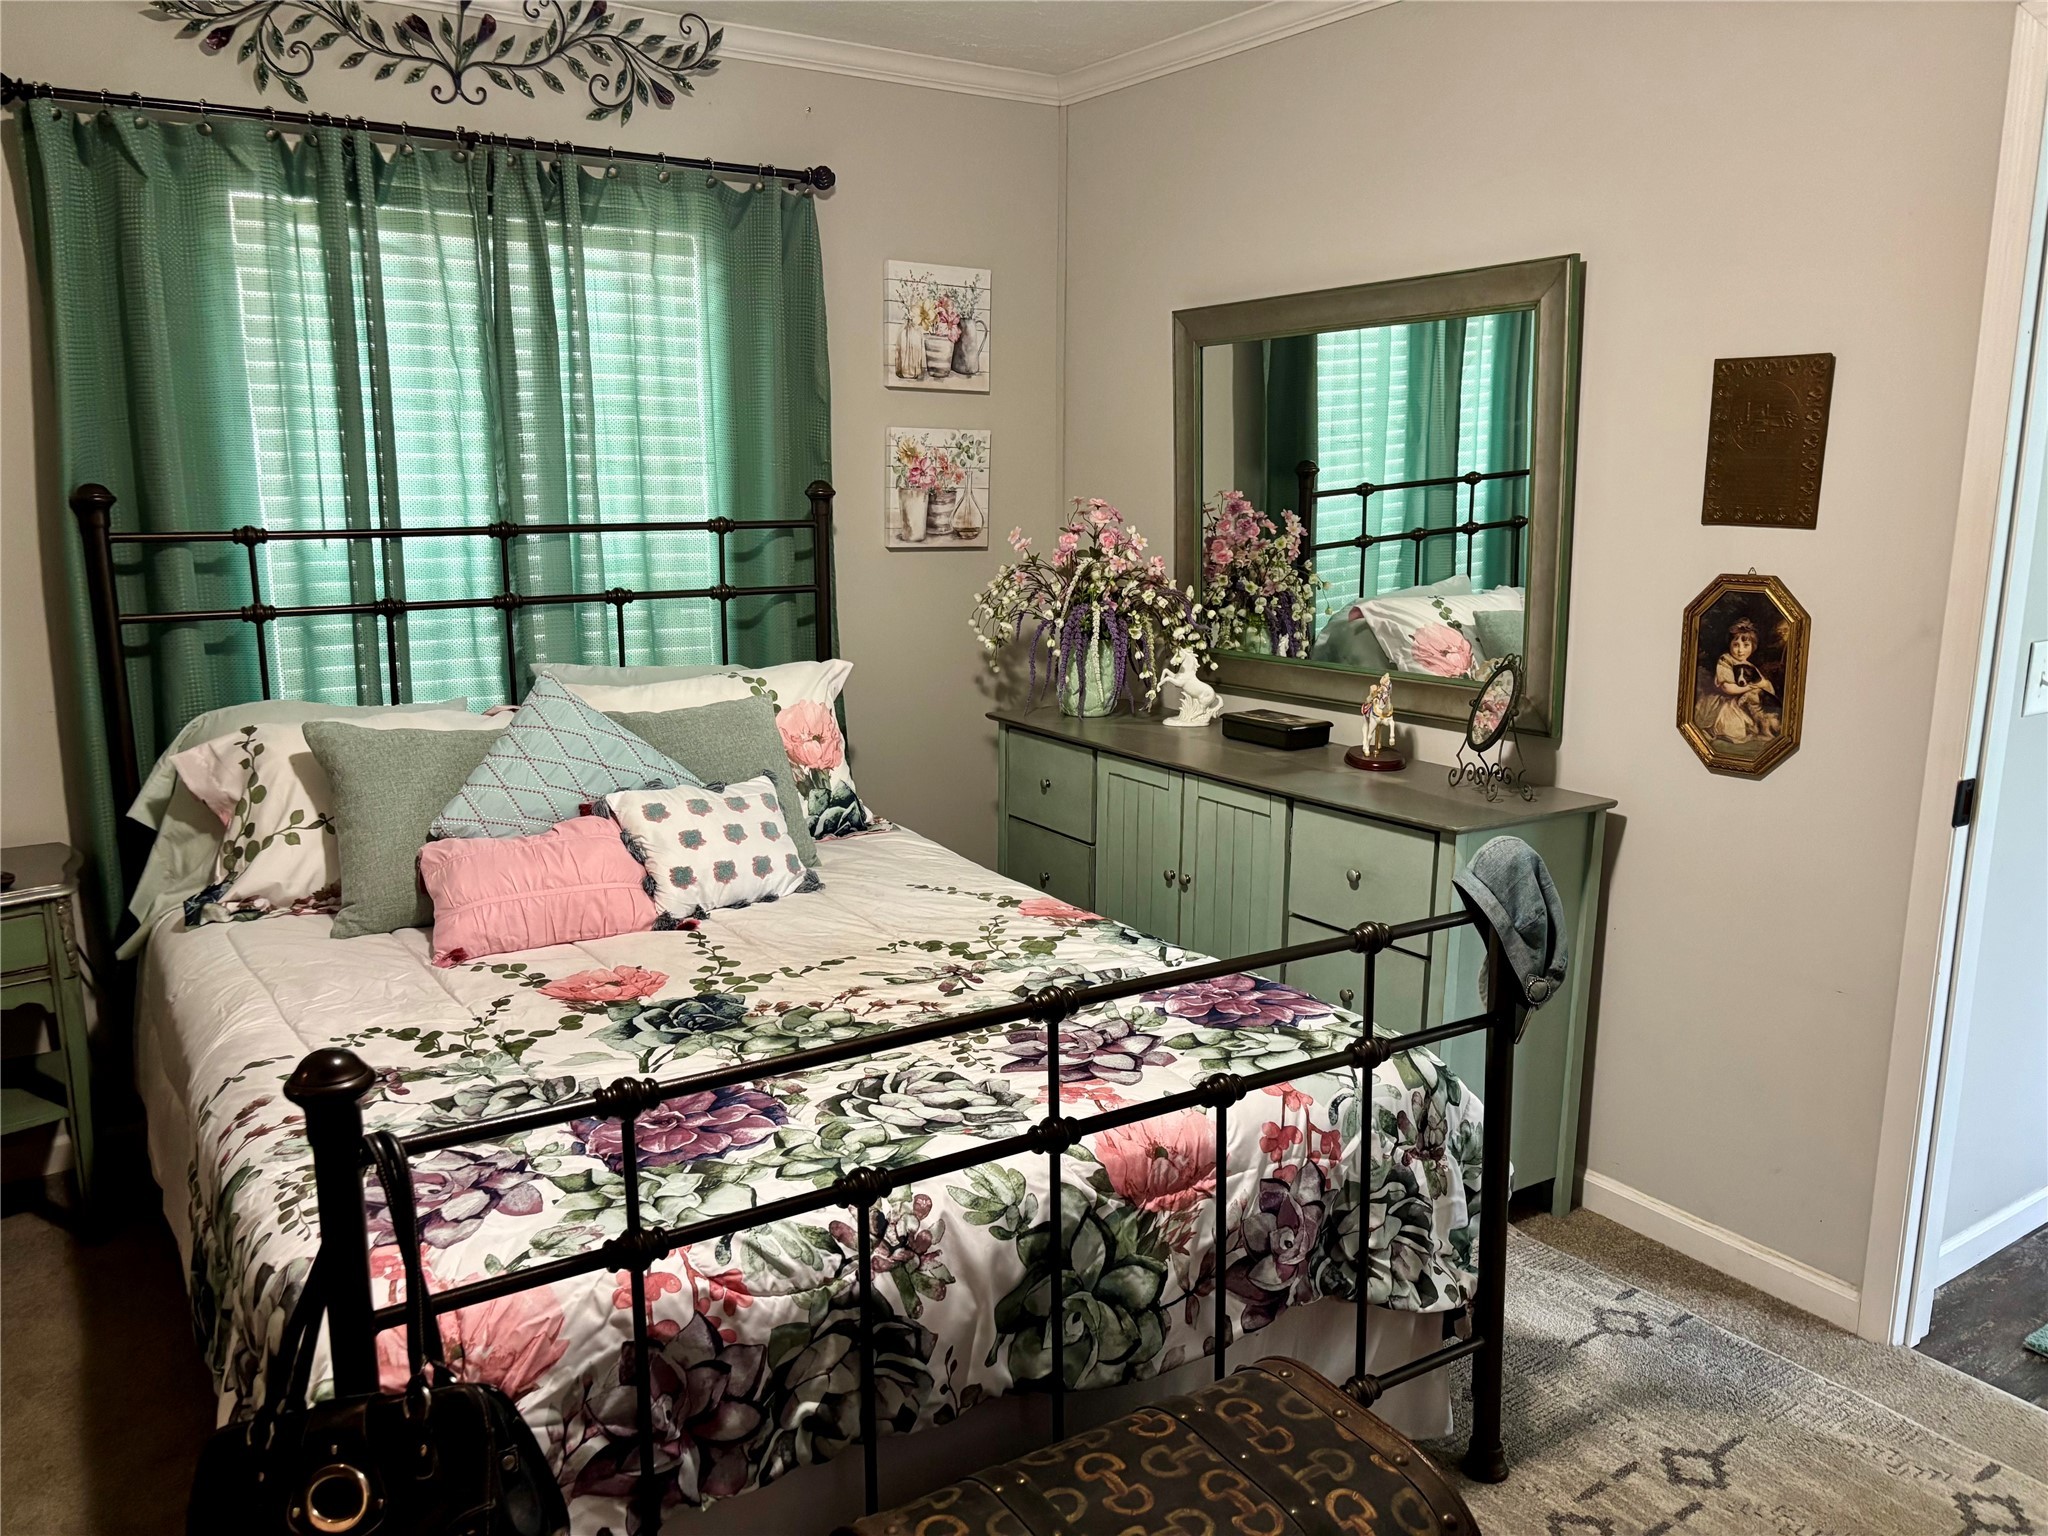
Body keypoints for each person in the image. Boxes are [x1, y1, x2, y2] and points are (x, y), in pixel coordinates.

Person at [1693, 616, 1779, 743]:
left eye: (1746, 645)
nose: (1740, 650)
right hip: (1725, 703)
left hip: (1745, 704)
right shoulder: (1725, 660)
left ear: (1753, 647)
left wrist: (1764, 684)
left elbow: (1765, 686)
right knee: (1733, 728)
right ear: (1730, 645)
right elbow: (1728, 688)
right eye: (1736, 645)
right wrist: (1750, 687)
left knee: (1760, 721)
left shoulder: (1750, 666)